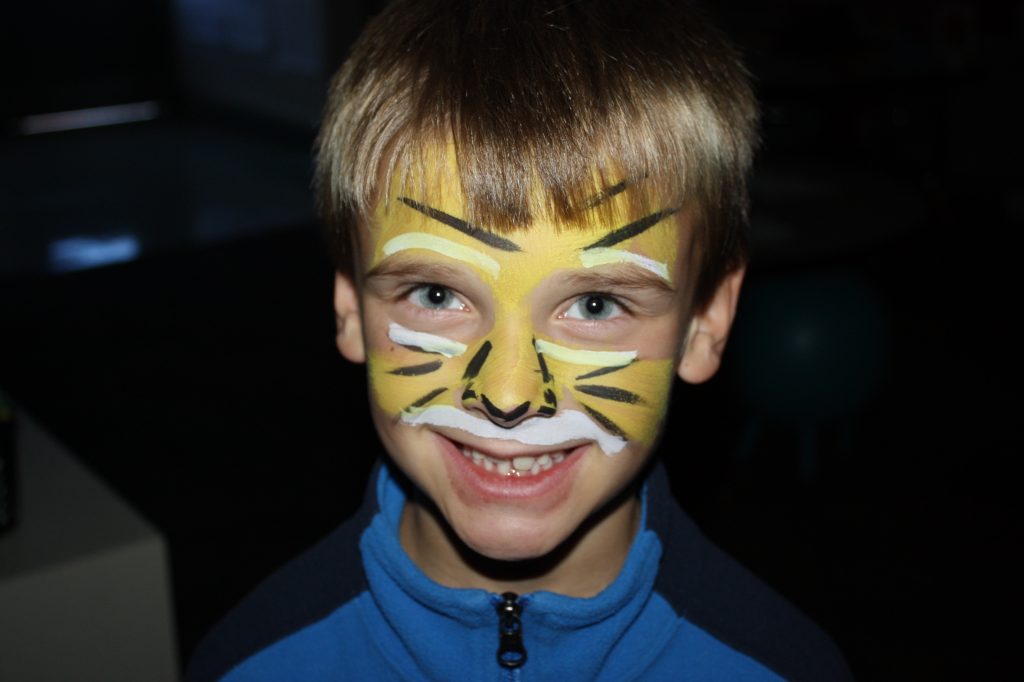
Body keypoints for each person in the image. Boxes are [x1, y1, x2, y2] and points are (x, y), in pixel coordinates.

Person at [187, 0, 853, 679]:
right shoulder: (251, 666)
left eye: (595, 305)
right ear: (351, 308)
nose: (507, 395)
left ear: (706, 320)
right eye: (437, 295)